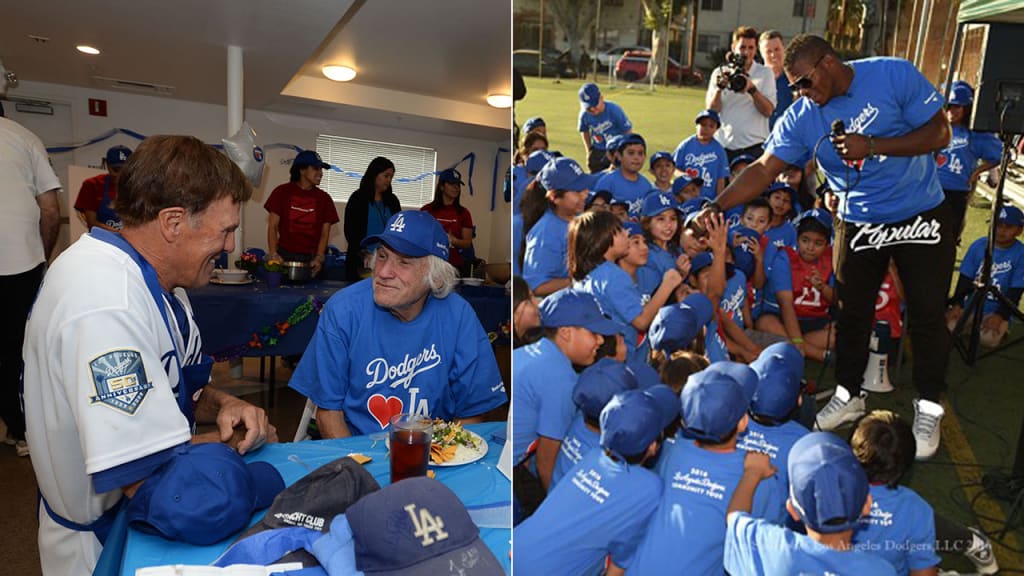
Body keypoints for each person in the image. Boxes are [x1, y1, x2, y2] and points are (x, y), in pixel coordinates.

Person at [22, 135, 277, 574]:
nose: (232, 247)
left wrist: (224, 403)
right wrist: (231, 446)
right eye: (227, 230)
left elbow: (177, 385)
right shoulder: (106, 303)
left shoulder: (159, 285)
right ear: (173, 223)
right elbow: (151, 480)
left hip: (126, 516)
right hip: (98, 543)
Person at [698, 34, 956, 459]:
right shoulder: (802, 115)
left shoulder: (892, 72)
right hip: (860, 219)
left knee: (927, 313)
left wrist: (872, 146)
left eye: (803, 82)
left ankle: (929, 404)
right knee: (851, 311)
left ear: (829, 63)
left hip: (920, 211)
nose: (799, 92)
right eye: (793, 85)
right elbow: (765, 168)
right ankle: (849, 393)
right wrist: (716, 203)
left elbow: (940, 133)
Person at [289, 210, 507, 438]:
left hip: (434, 453)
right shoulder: (343, 310)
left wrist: (444, 459)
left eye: (404, 262)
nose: (382, 272)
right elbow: (328, 414)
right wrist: (359, 471)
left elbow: (471, 413)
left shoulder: (459, 316)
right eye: (382, 256)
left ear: (436, 277)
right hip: (356, 449)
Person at [514, 386, 676, 576]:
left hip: (517, 544)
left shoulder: (593, 456)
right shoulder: (650, 489)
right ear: (653, 446)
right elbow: (620, 562)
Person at [723, 433, 897, 575]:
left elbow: (734, 518)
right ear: (867, 505)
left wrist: (752, 473)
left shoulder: (770, 546)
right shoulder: (881, 571)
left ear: (792, 509)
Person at [0, 114, 61, 458]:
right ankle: (21, 429)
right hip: (19, 261)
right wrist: (43, 258)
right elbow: (50, 211)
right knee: (18, 350)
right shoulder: (24, 137)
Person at [946, 204, 1024, 348]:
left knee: (987, 340)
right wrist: (957, 305)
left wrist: (1000, 315)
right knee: (950, 327)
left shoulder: (1021, 254)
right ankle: (972, 326)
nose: (1002, 230)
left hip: (998, 308)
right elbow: (964, 279)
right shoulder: (978, 245)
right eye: (998, 225)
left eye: (1008, 226)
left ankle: (1001, 327)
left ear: (1019, 230)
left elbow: (1016, 291)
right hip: (972, 306)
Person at [936, 82, 1002, 239]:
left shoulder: (975, 134)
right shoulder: (935, 128)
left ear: (966, 108)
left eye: (957, 106)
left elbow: (1000, 155)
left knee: (949, 235)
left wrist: (977, 172)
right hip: (929, 189)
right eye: (949, 105)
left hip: (956, 191)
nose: (952, 111)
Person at [706, 26, 778, 161]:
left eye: (751, 48)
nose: (746, 52)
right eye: (742, 47)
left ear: (756, 49)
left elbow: (768, 111)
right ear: (733, 47)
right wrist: (719, 89)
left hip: (754, 147)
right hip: (724, 145)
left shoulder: (765, 73)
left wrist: (752, 89)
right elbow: (712, 112)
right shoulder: (720, 73)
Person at [265, 149, 339, 276]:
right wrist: (273, 254)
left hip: (311, 260)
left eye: (321, 169)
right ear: (302, 170)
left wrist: (319, 258)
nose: (320, 173)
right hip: (284, 257)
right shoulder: (281, 192)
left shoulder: (325, 199)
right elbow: (272, 227)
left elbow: (324, 233)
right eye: (316, 168)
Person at [343, 156, 400, 281]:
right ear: (374, 174)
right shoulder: (358, 198)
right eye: (386, 176)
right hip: (362, 261)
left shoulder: (392, 201)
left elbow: (399, 230)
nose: (389, 180)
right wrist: (363, 253)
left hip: (388, 261)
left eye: (391, 177)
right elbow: (350, 232)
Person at [421, 168, 475, 276]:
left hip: (454, 266)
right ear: (441, 186)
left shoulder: (464, 213)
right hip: (431, 264)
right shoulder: (427, 210)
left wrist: (453, 241)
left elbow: (467, 243)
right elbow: (420, 238)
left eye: (458, 184)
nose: (456, 187)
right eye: (451, 183)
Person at [74, 145, 132, 232]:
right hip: (102, 241)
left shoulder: (139, 186)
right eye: (115, 170)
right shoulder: (92, 185)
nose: (120, 175)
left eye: (124, 170)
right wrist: (121, 235)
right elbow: (92, 224)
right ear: (107, 165)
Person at [578, 82, 633, 173]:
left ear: (601, 98)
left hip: (616, 150)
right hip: (598, 150)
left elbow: (628, 131)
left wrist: (621, 154)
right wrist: (589, 150)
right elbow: (584, 131)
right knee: (595, 180)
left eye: (595, 105)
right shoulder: (584, 115)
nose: (593, 110)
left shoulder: (614, 110)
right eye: (588, 108)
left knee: (616, 180)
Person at [759, 30, 795, 132]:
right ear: (761, 53)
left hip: (786, 137)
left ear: (784, 49)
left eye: (777, 49)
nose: (773, 55)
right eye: (768, 51)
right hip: (758, 139)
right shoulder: (754, 80)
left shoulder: (794, 80)